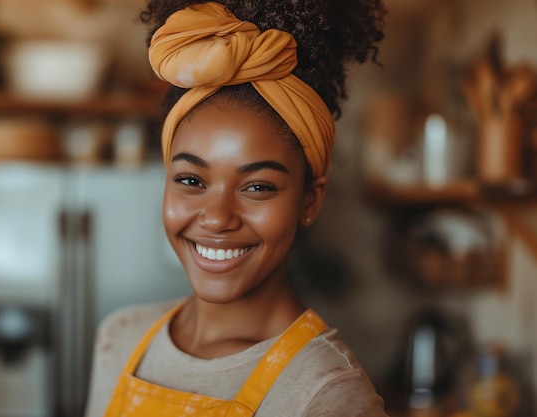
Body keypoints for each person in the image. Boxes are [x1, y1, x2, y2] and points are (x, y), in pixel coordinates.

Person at [85, 1, 387, 416]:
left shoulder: (327, 392)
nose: (216, 217)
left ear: (309, 200)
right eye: (191, 181)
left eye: (258, 187)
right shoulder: (120, 339)